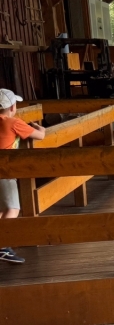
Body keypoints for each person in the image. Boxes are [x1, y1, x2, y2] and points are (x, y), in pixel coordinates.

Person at [0, 89, 46, 264]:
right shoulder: (13, 122)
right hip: (4, 170)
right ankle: (2, 247)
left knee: (1, 209)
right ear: (12, 106)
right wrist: (40, 127)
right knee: (12, 208)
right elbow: (40, 135)